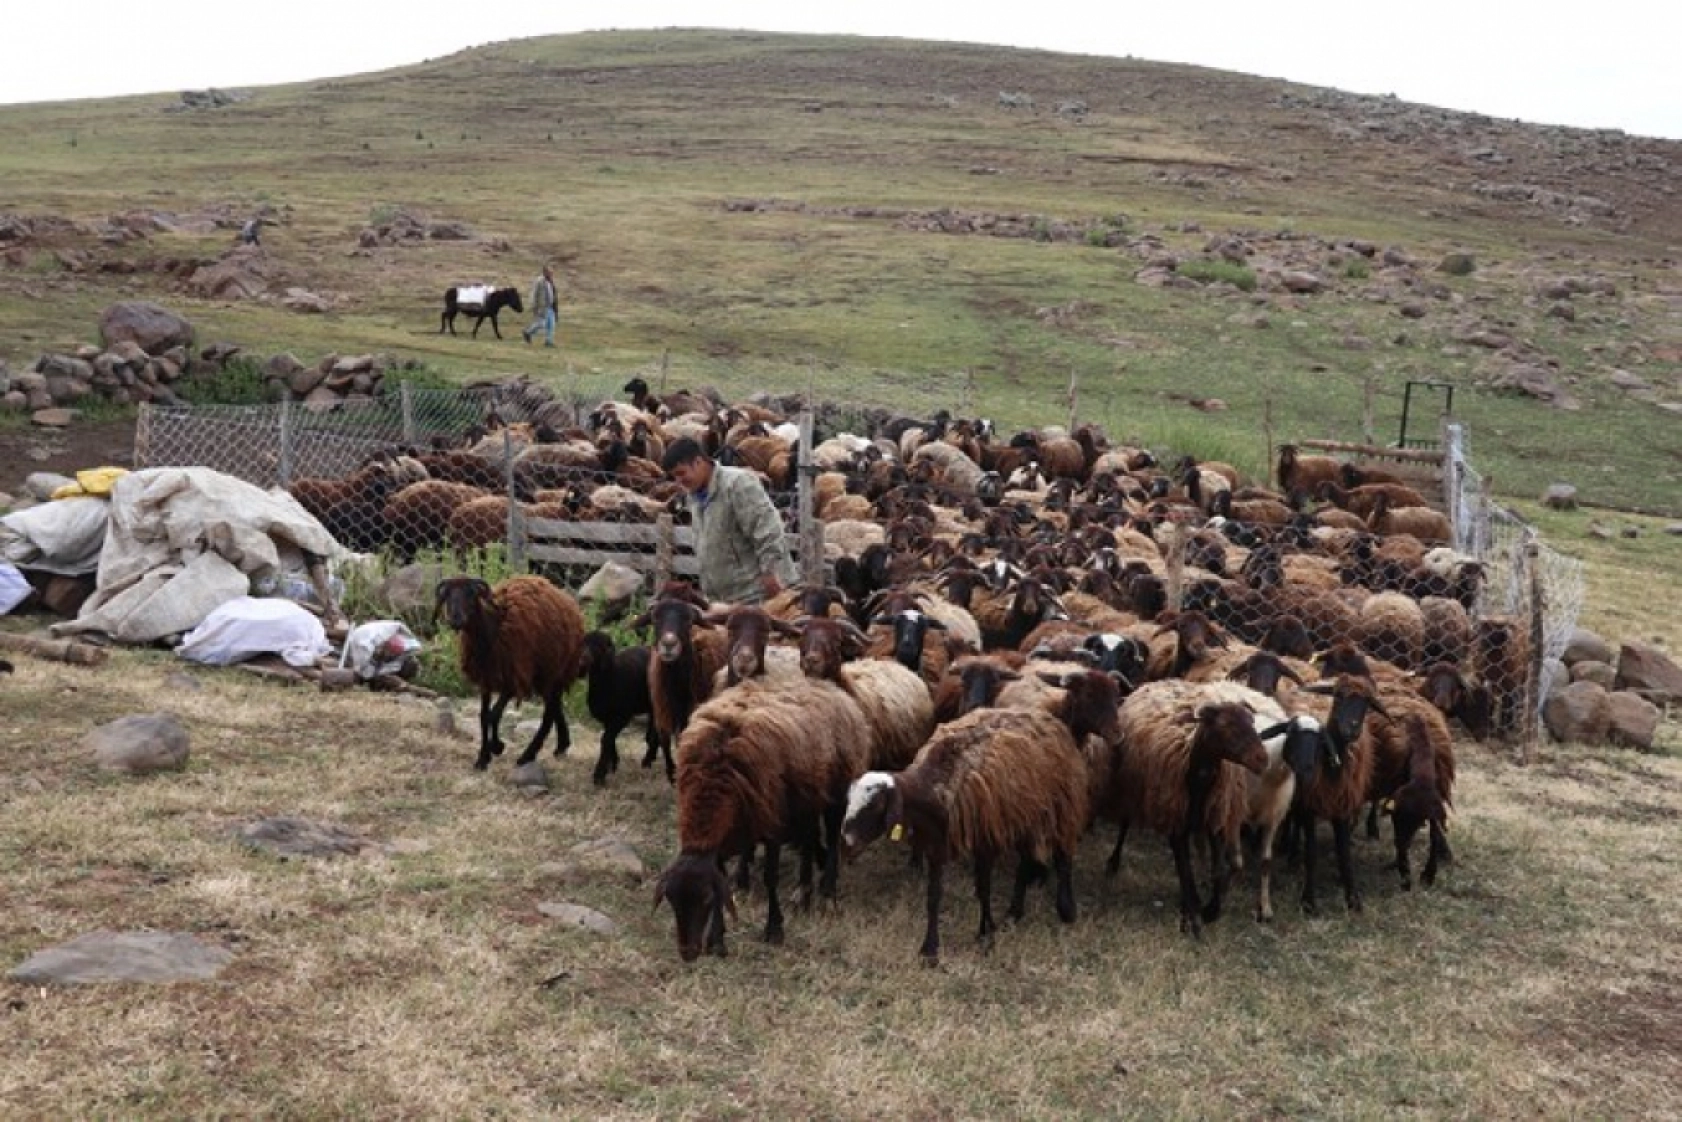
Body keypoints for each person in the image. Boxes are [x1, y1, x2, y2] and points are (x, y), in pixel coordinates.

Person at [661, 437, 798, 605]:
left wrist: (772, 575)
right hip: (721, 600)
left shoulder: (737, 484)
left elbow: (767, 530)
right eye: (674, 476)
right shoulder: (694, 498)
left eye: (681, 473)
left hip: (756, 595)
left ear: (698, 462)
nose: (679, 481)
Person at [521, 263, 558, 347]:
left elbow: (553, 293)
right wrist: (533, 306)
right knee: (541, 324)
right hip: (542, 307)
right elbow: (534, 293)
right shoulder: (539, 281)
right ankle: (528, 332)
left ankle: (548, 341)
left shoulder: (551, 281)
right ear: (545, 272)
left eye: (552, 272)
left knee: (551, 324)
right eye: (550, 272)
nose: (551, 274)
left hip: (551, 306)